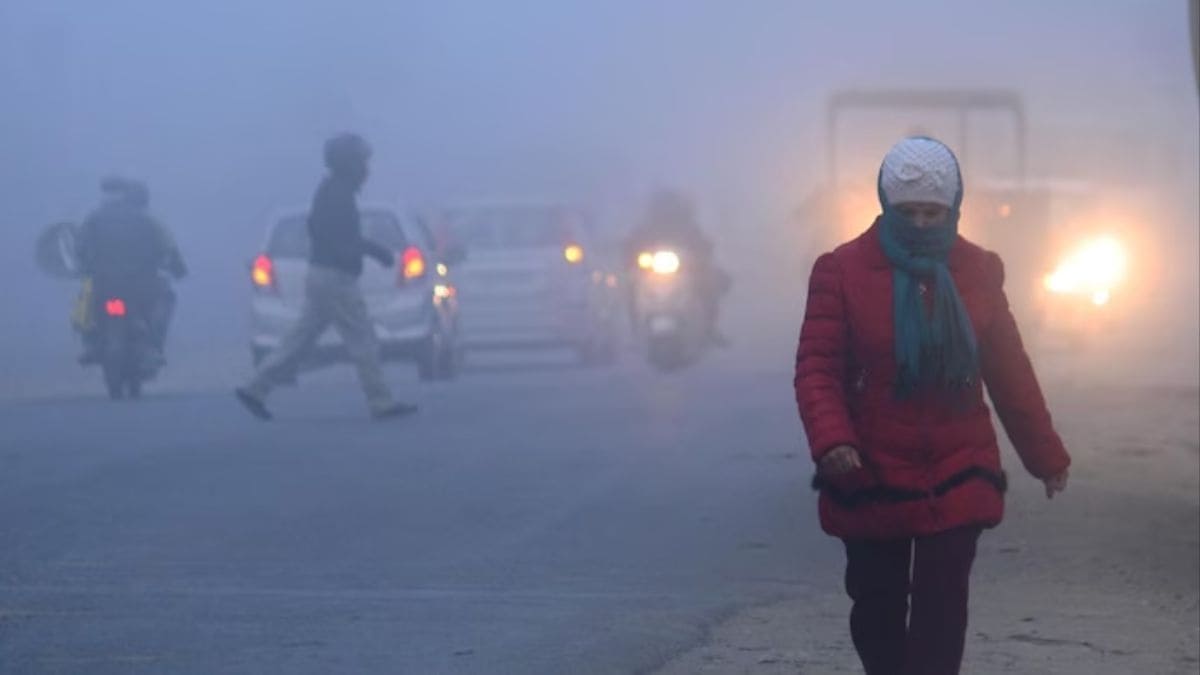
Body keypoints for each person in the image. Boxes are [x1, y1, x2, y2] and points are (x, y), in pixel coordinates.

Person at [793, 136, 1071, 675]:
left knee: (943, 609)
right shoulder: (841, 271)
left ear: (953, 209)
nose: (921, 224)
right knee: (877, 607)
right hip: (870, 464)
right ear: (886, 206)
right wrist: (833, 441)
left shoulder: (979, 272)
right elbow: (817, 369)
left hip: (959, 461)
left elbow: (1010, 372)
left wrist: (1047, 456)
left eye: (933, 212)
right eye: (908, 212)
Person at [234, 133, 416, 421]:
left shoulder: (331, 191)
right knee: (363, 339)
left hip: (322, 275)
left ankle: (255, 387)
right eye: (361, 162)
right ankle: (380, 401)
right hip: (336, 278)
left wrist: (368, 250)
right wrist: (376, 251)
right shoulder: (338, 195)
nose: (366, 169)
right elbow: (343, 239)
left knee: (300, 340)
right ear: (348, 163)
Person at [76, 177, 187, 366]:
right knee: (166, 298)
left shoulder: (93, 219)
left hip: (103, 284)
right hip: (141, 285)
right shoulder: (148, 220)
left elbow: (80, 248)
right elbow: (169, 247)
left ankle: (90, 344)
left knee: (85, 301)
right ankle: (153, 344)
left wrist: (85, 267)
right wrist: (178, 268)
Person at [623, 188, 731, 344]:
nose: (667, 213)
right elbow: (631, 245)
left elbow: (703, 245)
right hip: (650, 276)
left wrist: (699, 259)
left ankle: (710, 328)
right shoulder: (647, 229)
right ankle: (634, 329)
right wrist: (632, 257)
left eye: (670, 208)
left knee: (708, 286)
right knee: (631, 289)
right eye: (664, 208)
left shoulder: (687, 228)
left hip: (684, 274)